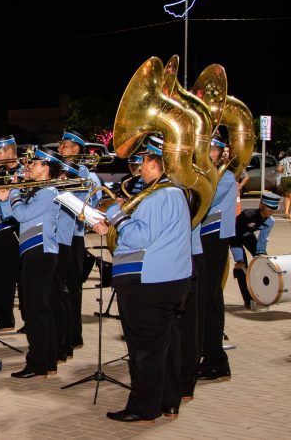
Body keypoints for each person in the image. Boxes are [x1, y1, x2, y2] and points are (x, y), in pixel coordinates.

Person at [92, 135, 191, 422]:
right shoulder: (174, 192)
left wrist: (114, 213)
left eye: (144, 160)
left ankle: (143, 407)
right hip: (169, 280)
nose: (139, 166)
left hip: (148, 282)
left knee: (144, 351)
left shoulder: (160, 195)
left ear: (156, 163)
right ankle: (168, 402)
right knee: (166, 347)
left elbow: (138, 236)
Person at [0, 147, 63, 379]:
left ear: (46, 167)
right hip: (33, 251)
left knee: (35, 310)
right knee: (39, 309)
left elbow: (23, 215)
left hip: (40, 252)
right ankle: (48, 361)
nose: (29, 167)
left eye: (34, 163)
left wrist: (14, 192)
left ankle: (38, 363)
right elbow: (14, 216)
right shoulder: (38, 190)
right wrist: (5, 200)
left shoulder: (48, 192)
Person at [57, 129, 102, 352]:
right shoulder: (58, 170)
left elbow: (88, 207)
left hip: (74, 238)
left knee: (72, 289)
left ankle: (74, 335)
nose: (60, 149)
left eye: (64, 145)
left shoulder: (87, 175)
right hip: (58, 236)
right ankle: (62, 332)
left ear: (76, 148)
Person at [197, 133, 237, 382]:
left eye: (211, 148)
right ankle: (207, 354)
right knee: (203, 299)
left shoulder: (224, 177)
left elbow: (203, 199)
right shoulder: (205, 174)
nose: (205, 152)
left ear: (222, 151)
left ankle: (217, 361)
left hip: (214, 239)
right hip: (203, 239)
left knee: (210, 299)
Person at [0, 135, 22, 331]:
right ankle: (4, 317)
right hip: (0, 232)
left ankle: (28, 320)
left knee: (22, 279)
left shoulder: (24, 173)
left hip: (17, 231)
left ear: (9, 151)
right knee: (1, 277)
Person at [229, 191, 280, 309]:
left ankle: (264, 294)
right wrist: (239, 258)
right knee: (242, 267)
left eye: (274, 210)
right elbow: (234, 235)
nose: (271, 212)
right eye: (269, 209)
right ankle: (248, 300)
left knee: (265, 262)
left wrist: (261, 253)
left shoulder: (270, 220)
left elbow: (263, 238)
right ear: (261, 205)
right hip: (234, 237)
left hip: (248, 236)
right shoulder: (247, 215)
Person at [278, 147, 291, 222]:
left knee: (286, 196)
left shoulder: (283, 160)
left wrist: (284, 170)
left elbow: (279, 169)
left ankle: (286, 213)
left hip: (285, 179)